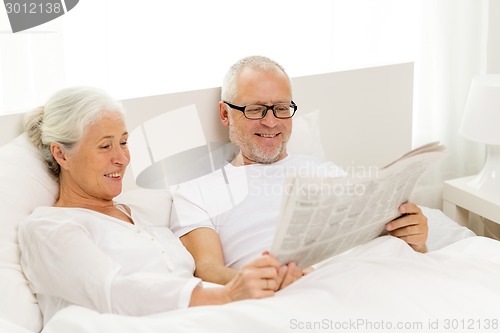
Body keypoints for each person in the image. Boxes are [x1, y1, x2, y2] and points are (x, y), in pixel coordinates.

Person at [18, 86, 288, 325]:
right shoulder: (48, 227)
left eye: (123, 143)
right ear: (61, 153)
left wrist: (266, 278)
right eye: (104, 147)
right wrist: (225, 295)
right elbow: (113, 291)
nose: (122, 159)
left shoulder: (143, 214)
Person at [170, 55, 429, 289]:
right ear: (225, 114)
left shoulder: (325, 171)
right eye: (255, 109)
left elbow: (373, 239)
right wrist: (263, 282)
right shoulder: (196, 189)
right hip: (291, 292)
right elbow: (208, 269)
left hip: (367, 276)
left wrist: (414, 238)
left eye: (281, 108)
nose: (271, 122)